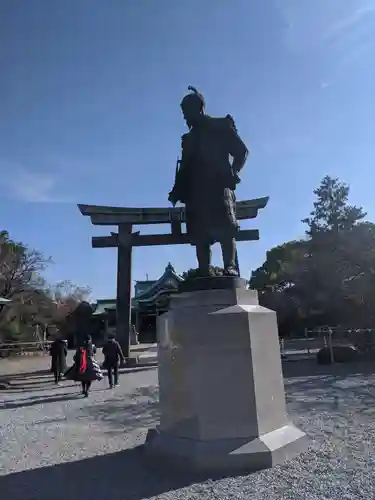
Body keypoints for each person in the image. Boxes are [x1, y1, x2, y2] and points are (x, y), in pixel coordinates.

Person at [168, 86, 248, 276]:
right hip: (195, 191)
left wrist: (234, 171)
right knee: (199, 234)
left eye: (187, 112)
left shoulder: (220, 127)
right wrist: (177, 190)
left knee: (225, 229)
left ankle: (229, 265)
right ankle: (204, 268)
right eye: (183, 113)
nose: (185, 118)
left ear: (199, 108)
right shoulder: (188, 139)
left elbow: (241, 151)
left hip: (219, 185)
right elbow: (185, 168)